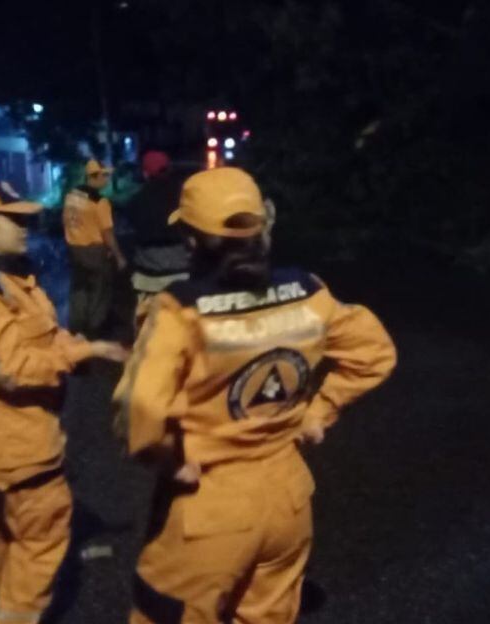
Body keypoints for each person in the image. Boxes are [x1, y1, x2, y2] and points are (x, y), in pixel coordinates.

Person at [112, 167, 397, 623]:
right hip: (288, 501)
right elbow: (375, 353)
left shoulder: (179, 310)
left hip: (209, 506)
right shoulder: (308, 291)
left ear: (189, 241)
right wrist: (317, 410)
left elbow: (140, 413)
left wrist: (169, 459)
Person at [0, 180, 128, 624]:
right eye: (15, 219)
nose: (26, 226)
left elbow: (37, 332)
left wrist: (74, 344)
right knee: (43, 532)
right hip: (16, 436)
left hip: (8, 433)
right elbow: (11, 368)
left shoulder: (3, 275)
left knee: (7, 510)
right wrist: (87, 351)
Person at [125, 150, 190, 331]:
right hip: (181, 275)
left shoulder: (136, 201)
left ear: (145, 173)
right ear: (168, 169)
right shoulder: (185, 198)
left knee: (148, 329)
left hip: (148, 278)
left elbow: (131, 234)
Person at [63, 159, 127, 338]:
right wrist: (119, 256)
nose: (106, 179)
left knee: (79, 290)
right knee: (100, 291)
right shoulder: (100, 202)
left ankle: (76, 328)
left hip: (74, 250)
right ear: (95, 176)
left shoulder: (71, 196)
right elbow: (107, 233)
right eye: (104, 175)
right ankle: (95, 330)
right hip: (94, 251)